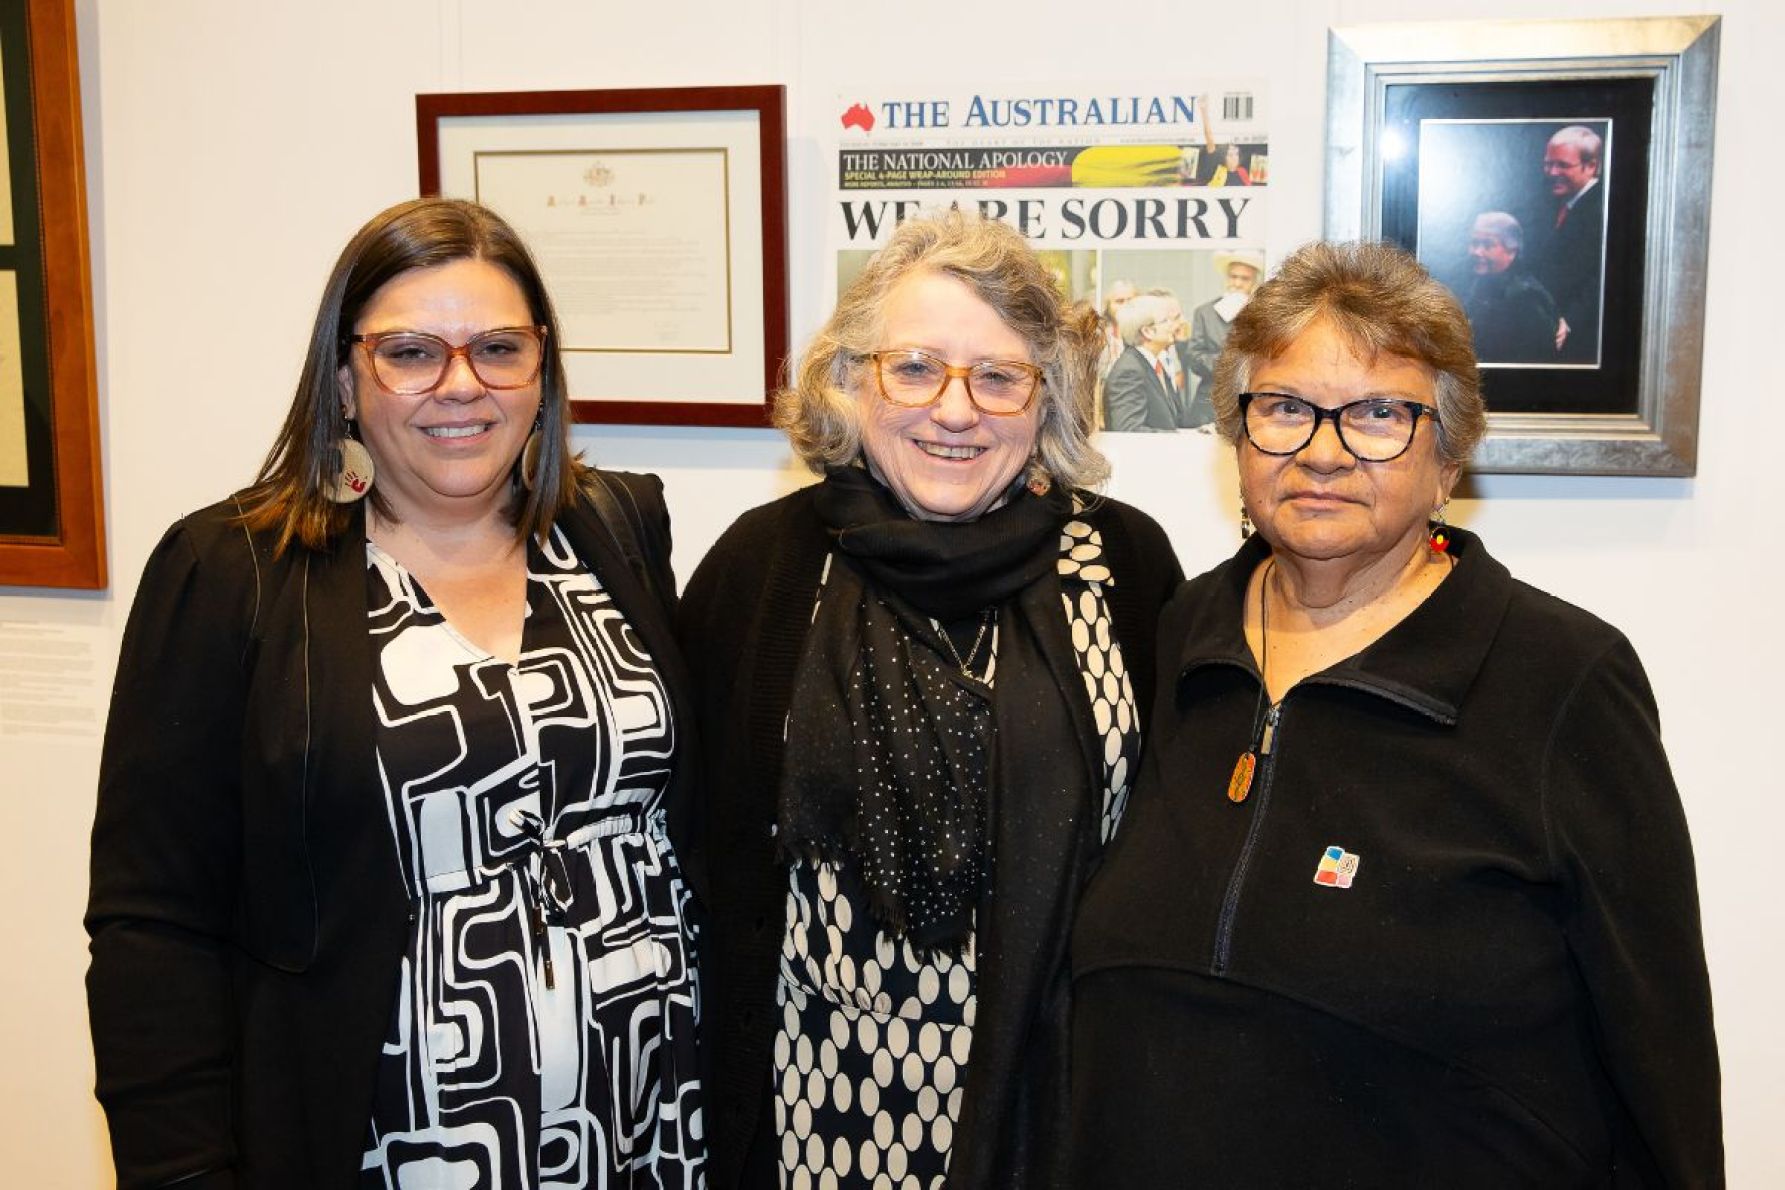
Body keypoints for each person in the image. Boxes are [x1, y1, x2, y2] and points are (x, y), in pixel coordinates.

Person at [1071, 240, 1722, 1185]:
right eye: (1286, 409)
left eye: (1379, 413)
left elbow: (1655, 1037)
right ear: (1240, 437)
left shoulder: (1559, 677)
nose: (1323, 451)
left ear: (1448, 455)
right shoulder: (1176, 636)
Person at [86, 197, 705, 1188]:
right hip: (390, 1142)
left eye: (498, 348)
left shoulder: (615, 527)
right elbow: (152, 926)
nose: (462, 385)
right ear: (343, 376)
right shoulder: (232, 572)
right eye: (412, 351)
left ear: (541, 368)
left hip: (644, 1121)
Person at [679, 210, 1182, 1189]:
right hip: (807, 1110)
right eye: (914, 368)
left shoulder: (1126, 563)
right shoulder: (764, 567)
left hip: (1055, 1109)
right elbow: (698, 842)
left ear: (1049, 400)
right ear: (852, 380)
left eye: (998, 376)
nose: (955, 410)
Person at [1534, 124, 1607, 363]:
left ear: (1592, 166)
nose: (1552, 172)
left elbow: (1604, 279)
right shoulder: (1554, 203)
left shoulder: (1603, 211)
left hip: (1579, 338)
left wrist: (1570, 320)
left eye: (1563, 165)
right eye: (1548, 163)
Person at [1462, 211, 1561, 364]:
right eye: (1474, 243)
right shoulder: (1480, 284)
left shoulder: (1527, 298)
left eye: (1488, 245)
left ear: (1512, 251)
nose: (1477, 252)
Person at [1186, 249, 1264, 425]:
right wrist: (1231, 363)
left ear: (1254, 282)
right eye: (1233, 277)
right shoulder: (1204, 313)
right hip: (1209, 403)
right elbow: (1194, 358)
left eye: (1244, 279)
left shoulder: (1263, 315)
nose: (1237, 283)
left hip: (1250, 402)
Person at [1102, 291, 1191, 432]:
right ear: (1147, 331)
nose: (1173, 326)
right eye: (1165, 321)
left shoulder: (1154, 364)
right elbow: (1129, 431)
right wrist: (1177, 438)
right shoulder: (1129, 372)